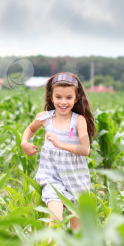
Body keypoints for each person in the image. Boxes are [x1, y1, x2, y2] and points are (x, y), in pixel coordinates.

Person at [21, 72, 96, 234]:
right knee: (56, 219)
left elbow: (85, 150)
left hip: (75, 177)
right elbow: (30, 129)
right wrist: (25, 142)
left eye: (68, 98)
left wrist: (59, 144)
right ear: (51, 97)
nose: (63, 102)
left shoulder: (79, 120)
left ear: (76, 99)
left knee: (77, 228)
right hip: (51, 176)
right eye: (58, 97)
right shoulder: (45, 118)